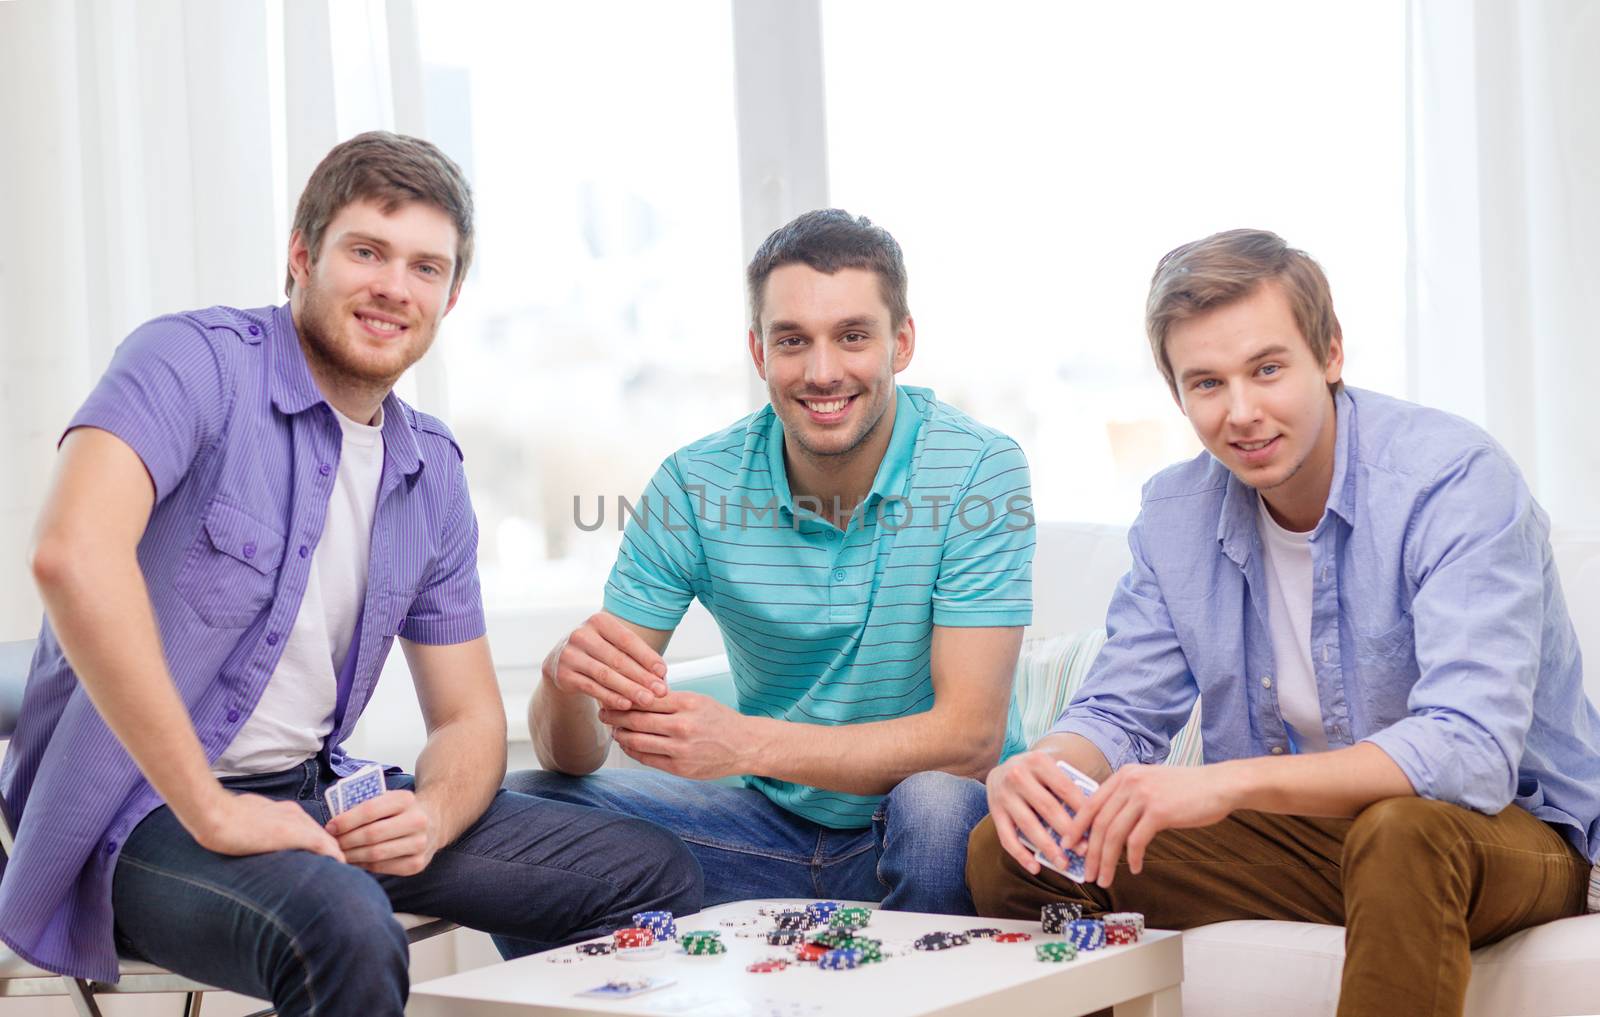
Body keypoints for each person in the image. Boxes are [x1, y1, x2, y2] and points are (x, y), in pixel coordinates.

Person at [0, 131, 700, 1017]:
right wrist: (217, 812)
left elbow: (468, 715)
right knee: (347, 925)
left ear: (451, 295)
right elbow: (71, 552)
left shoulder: (429, 470)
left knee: (648, 872)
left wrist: (434, 816)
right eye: (367, 250)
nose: (393, 287)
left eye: (425, 267)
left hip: (308, 794)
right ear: (302, 252)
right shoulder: (189, 362)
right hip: (139, 812)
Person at [967, 228, 1600, 1016]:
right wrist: (1048, 768)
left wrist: (1224, 785)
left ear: (1330, 354)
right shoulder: (1175, 515)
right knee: (1014, 850)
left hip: (1499, 836)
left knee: (1400, 834)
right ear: (1178, 394)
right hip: (1303, 842)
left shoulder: (1451, 480)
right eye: (1206, 383)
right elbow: (1121, 711)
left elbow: (1470, 750)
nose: (1241, 413)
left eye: (1267, 369)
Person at [509, 209, 1035, 915]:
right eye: (793, 341)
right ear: (759, 353)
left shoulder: (979, 468)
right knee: (522, 809)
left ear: (900, 343)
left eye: (852, 336)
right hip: (763, 837)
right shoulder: (695, 485)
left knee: (938, 805)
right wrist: (562, 685)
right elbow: (577, 755)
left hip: (914, 834)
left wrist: (741, 744)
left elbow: (968, 741)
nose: (822, 372)